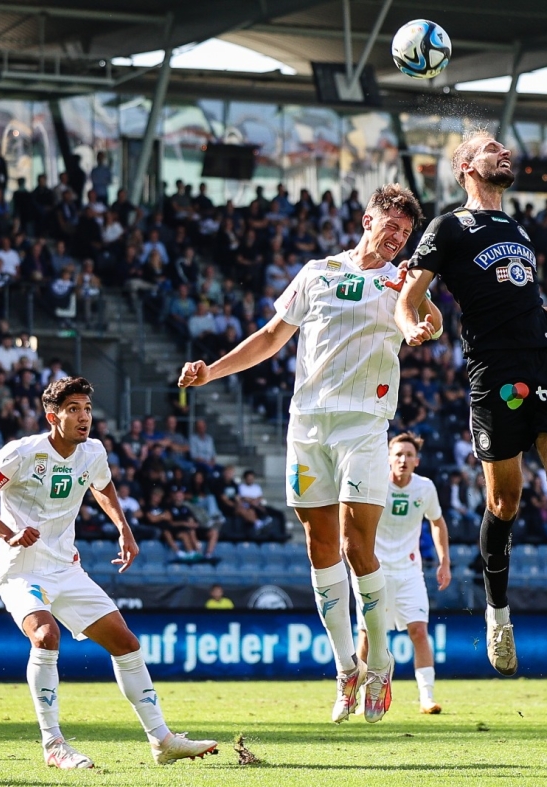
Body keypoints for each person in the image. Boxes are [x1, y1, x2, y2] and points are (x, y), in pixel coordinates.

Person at [178, 184, 441, 724]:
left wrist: (420, 326)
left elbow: (424, 316)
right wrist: (212, 370)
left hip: (364, 425)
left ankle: (382, 663)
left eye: (406, 233)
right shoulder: (317, 271)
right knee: (319, 545)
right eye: (390, 226)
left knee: (355, 546)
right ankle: (347, 668)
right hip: (307, 425)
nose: (396, 238)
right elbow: (272, 336)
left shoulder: (402, 278)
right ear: (367, 220)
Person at [396, 131, 547, 674]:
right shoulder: (448, 228)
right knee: (505, 502)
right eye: (492, 149)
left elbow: (534, 312)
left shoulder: (518, 228)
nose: (505, 154)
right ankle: (498, 616)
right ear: (465, 166)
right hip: (495, 372)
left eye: (505, 148)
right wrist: (413, 326)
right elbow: (410, 295)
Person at [0, 376, 217, 768]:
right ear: (53, 416)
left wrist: (123, 528)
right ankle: (54, 746)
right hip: (22, 570)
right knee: (46, 637)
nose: (84, 417)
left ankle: (162, 741)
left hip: (66, 567)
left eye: (87, 409)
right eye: (74, 410)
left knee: (126, 643)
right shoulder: (22, 453)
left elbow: (103, 486)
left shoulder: (92, 451)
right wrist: (8, 533)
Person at [354, 433, 451, 715]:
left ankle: (426, 698)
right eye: (397, 454)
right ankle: (361, 698)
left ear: (417, 461)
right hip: (375, 571)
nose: (403, 459)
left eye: (408, 455)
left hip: (409, 571)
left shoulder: (425, 488)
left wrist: (444, 562)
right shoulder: (374, 484)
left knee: (419, 632)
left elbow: (437, 522)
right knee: (367, 637)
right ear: (388, 459)